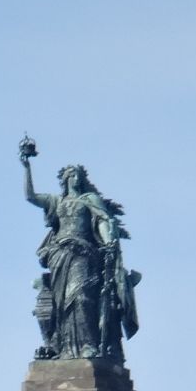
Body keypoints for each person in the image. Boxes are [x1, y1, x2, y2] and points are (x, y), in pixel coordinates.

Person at [20, 142, 139, 361]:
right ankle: (62, 347)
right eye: (68, 175)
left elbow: (103, 220)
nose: (72, 178)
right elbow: (30, 197)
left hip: (83, 253)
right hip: (59, 255)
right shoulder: (56, 201)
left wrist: (109, 242)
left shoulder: (89, 200)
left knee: (81, 297)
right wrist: (26, 166)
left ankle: (86, 346)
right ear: (63, 181)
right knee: (60, 302)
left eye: (75, 175)